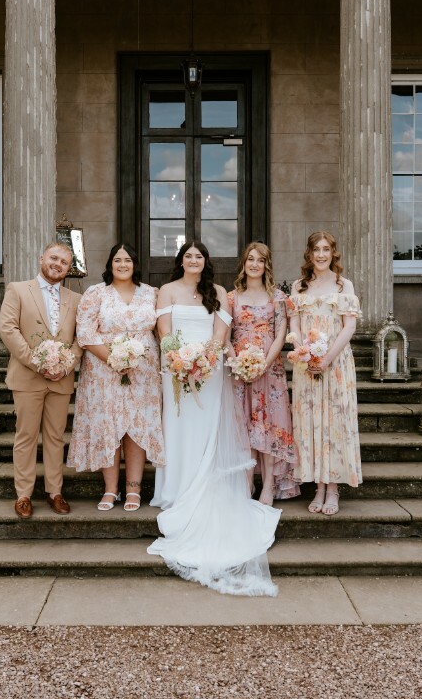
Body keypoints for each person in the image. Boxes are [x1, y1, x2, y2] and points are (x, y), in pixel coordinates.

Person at [149, 240, 280, 597]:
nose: (194, 260)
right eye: (188, 255)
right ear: (181, 261)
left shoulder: (218, 291)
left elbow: (221, 335)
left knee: (206, 430)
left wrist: (202, 363)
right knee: (178, 429)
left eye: (200, 256)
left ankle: (206, 484)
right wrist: (180, 362)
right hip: (175, 368)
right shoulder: (167, 290)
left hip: (209, 370)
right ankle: (176, 490)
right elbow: (163, 331)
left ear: (206, 261)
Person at [67, 243, 164, 512]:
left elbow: (161, 330)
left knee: (136, 426)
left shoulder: (151, 294)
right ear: (110, 264)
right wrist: (114, 359)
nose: (123, 265)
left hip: (143, 371)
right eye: (118, 260)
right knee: (108, 425)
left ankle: (134, 488)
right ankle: (111, 489)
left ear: (135, 264)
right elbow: (85, 333)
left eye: (128, 260)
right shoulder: (95, 293)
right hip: (103, 370)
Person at [0, 241, 82, 519]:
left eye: (64, 262)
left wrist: (64, 365)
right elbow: (8, 329)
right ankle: (23, 494)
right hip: (27, 376)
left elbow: (80, 340)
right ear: (41, 258)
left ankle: (54, 491)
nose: (57, 265)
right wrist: (38, 362)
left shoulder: (75, 299)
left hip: (61, 379)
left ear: (69, 269)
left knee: (56, 438)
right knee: (26, 436)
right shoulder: (18, 290)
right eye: (54, 258)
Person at [288, 231, 362, 517]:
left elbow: (349, 328)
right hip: (307, 366)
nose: (321, 255)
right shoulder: (299, 286)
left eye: (326, 249)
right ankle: (318, 486)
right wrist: (303, 351)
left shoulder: (344, 285)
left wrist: (327, 358)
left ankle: (332, 488)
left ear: (333, 253)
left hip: (336, 365)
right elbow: (294, 325)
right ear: (309, 253)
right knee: (311, 424)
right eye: (316, 249)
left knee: (333, 423)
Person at [227, 242, 300, 506]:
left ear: (266, 265)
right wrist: (237, 363)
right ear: (244, 264)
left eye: (260, 260)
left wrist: (263, 365)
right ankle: (247, 480)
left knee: (271, 425)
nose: (254, 264)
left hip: (270, 371)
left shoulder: (278, 297)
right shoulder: (231, 297)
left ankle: (268, 484)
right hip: (239, 372)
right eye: (250, 259)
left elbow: (281, 334)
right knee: (244, 425)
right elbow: (225, 336)